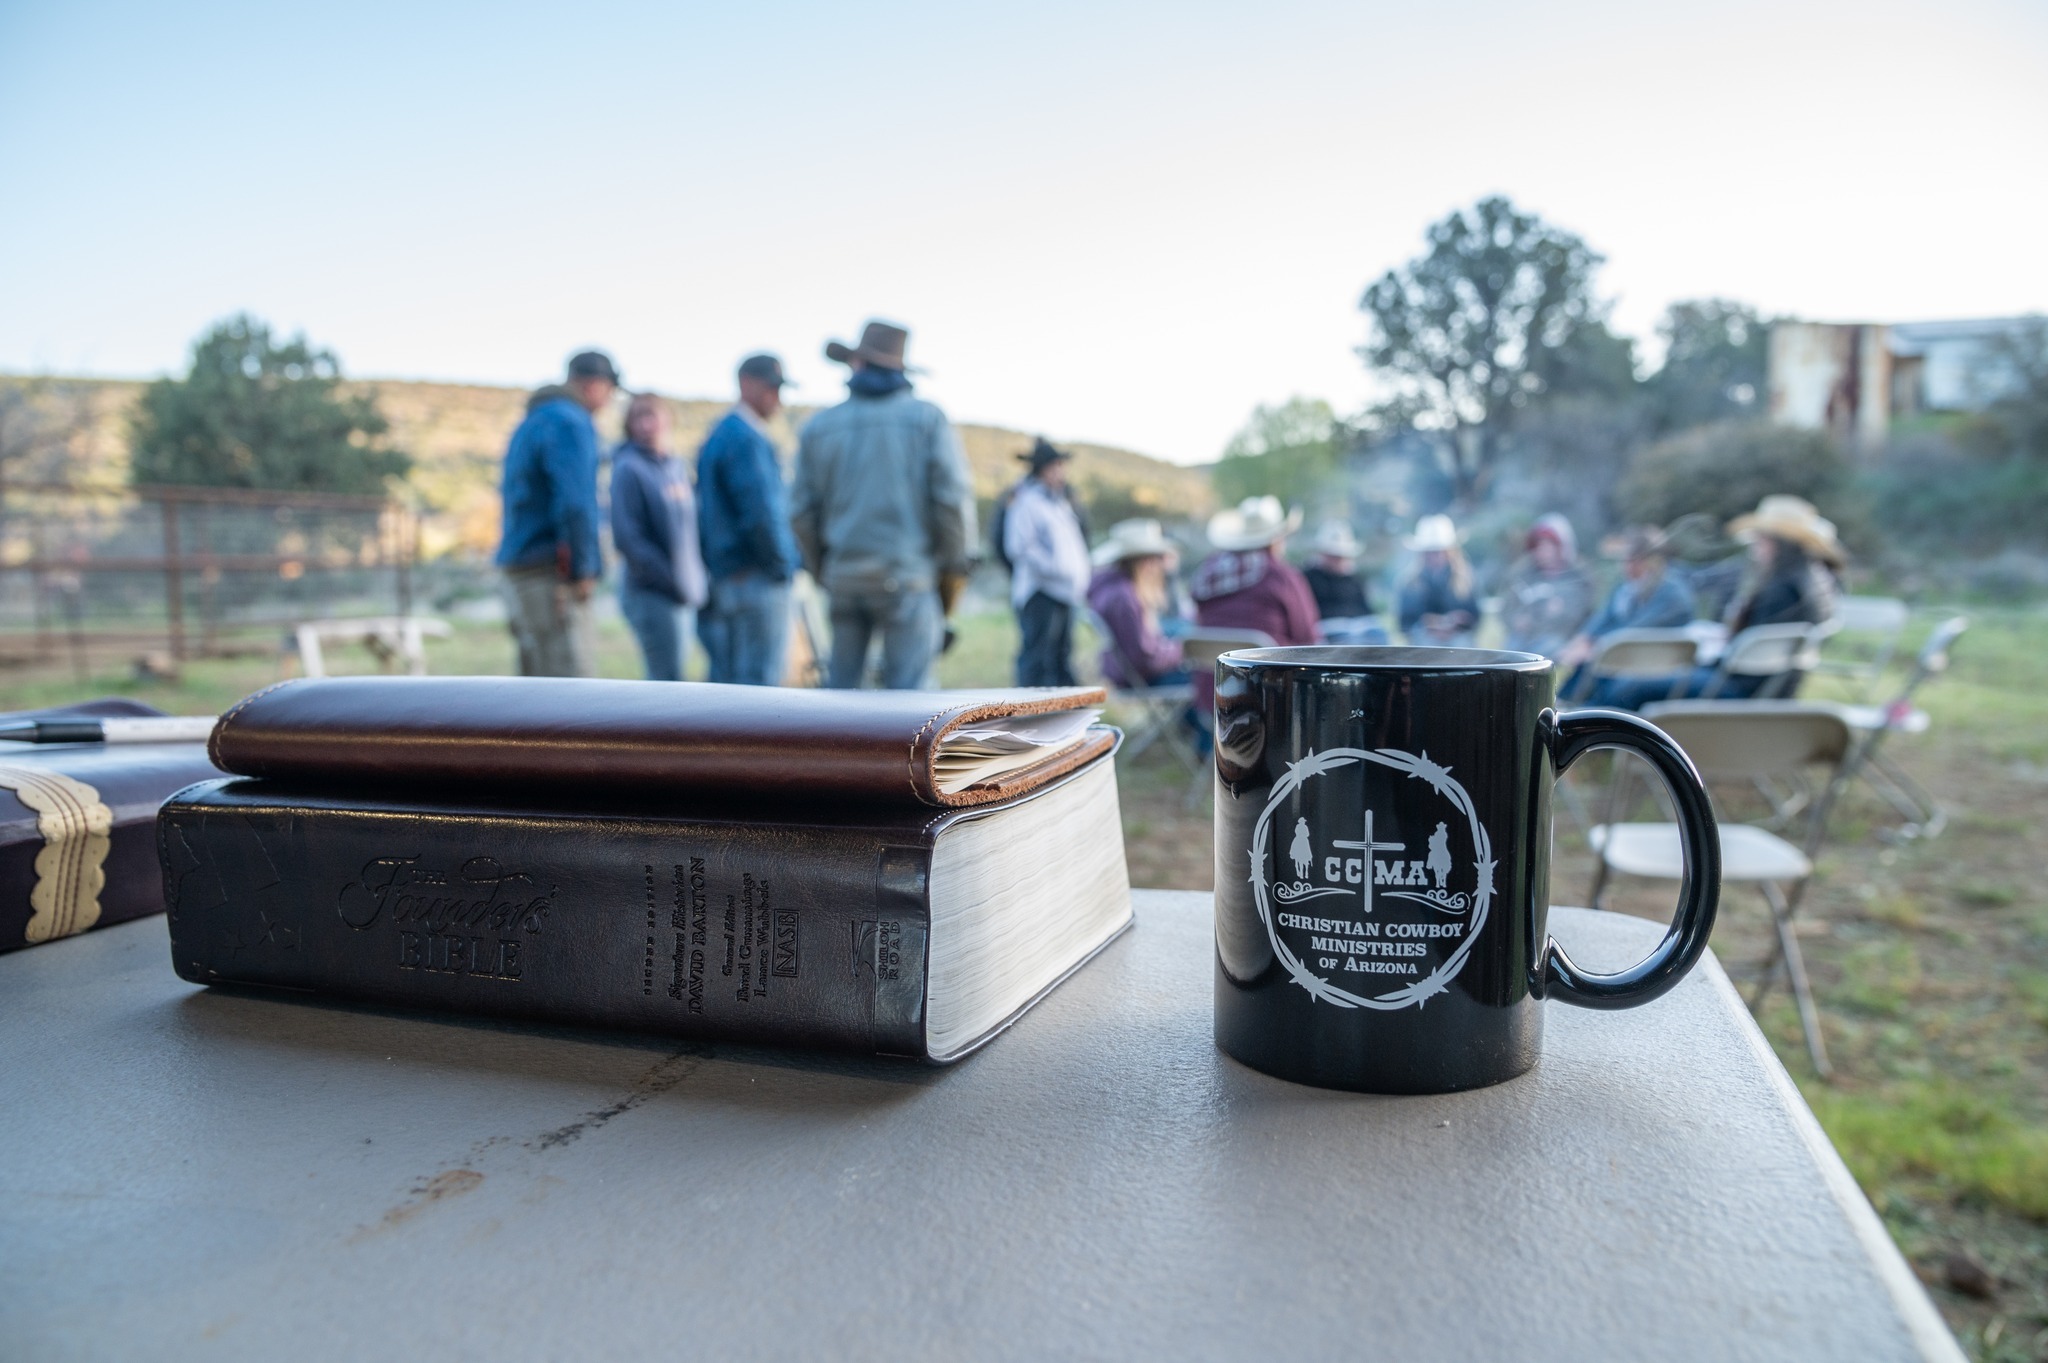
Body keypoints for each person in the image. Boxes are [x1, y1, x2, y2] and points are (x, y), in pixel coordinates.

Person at [790, 320, 975, 690]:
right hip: (908, 577)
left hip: (843, 578)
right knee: (910, 704)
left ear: (857, 364)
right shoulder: (926, 419)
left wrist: (823, 570)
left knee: (840, 699)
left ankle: (836, 750)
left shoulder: (818, 427)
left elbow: (800, 513)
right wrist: (952, 566)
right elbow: (951, 502)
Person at [1594, 497, 1842, 709]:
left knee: (1629, 686)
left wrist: (1716, 650)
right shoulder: (1808, 583)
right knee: (1633, 679)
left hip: (1741, 688)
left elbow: (1746, 657)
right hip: (1767, 688)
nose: (1755, 548)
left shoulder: (1783, 590)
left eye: (1759, 540)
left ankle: (1594, 743)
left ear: (1777, 544)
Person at [496, 349, 617, 676]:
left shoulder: (532, 421)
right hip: (549, 575)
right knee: (570, 700)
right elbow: (576, 502)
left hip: (523, 571)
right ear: (594, 385)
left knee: (534, 693)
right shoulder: (572, 421)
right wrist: (583, 569)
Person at [696, 353, 801, 685]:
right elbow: (762, 514)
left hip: (728, 576)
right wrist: (783, 566)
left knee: (730, 687)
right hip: (755, 577)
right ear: (746, 384)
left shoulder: (720, 433)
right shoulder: (746, 437)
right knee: (760, 690)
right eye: (770, 387)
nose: (777, 397)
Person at [610, 392, 708, 681]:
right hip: (653, 592)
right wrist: (671, 581)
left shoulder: (675, 467)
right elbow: (629, 539)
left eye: (650, 414)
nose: (645, 424)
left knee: (678, 675)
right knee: (666, 683)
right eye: (637, 417)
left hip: (684, 592)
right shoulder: (628, 468)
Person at [1004, 438, 1092, 686]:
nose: (1061, 472)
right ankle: (1029, 715)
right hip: (1041, 592)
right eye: (1056, 467)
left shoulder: (1058, 503)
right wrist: (1057, 570)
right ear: (1043, 470)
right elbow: (1020, 547)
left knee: (1060, 657)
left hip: (1064, 593)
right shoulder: (1027, 503)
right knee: (1038, 658)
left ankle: (1064, 716)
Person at [1085, 518, 1186, 688]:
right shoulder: (1125, 598)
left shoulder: (1117, 589)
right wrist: (1182, 651)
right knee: (1207, 680)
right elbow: (1145, 658)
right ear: (1146, 562)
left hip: (1129, 673)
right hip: (1141, 679)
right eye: (1158, 558)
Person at [1501, 514, 1596, 660]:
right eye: (1539, 547)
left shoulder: (1577, 578)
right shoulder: (1524, 575)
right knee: (1509, 653)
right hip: (1523, 637)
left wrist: (1553, 614)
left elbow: (1576, 616)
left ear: (1561, 548)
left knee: (1542, 652)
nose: (1543, 553)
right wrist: (1516, 619)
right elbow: (1508, 607)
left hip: (1560, 639)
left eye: (1548, 546)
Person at [1395, 515, 1479, 646]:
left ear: (1449, 552)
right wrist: (1426, 623)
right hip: (1424, 638)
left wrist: (1459, 621)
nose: (1434, 556)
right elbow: (1404, 622)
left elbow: (1475, 616)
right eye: (1430, 551)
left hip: (1458, 638)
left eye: (1438, 551)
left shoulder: (1465, 580)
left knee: (1462, 646)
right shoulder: (1410, 582)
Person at [1301, 522, 1386, 645]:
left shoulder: (1355, 580)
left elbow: (1367, 611)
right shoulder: (1308, 578)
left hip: (1360, 631)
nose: (1338, 560)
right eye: (1334, 556)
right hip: (1329, 633)